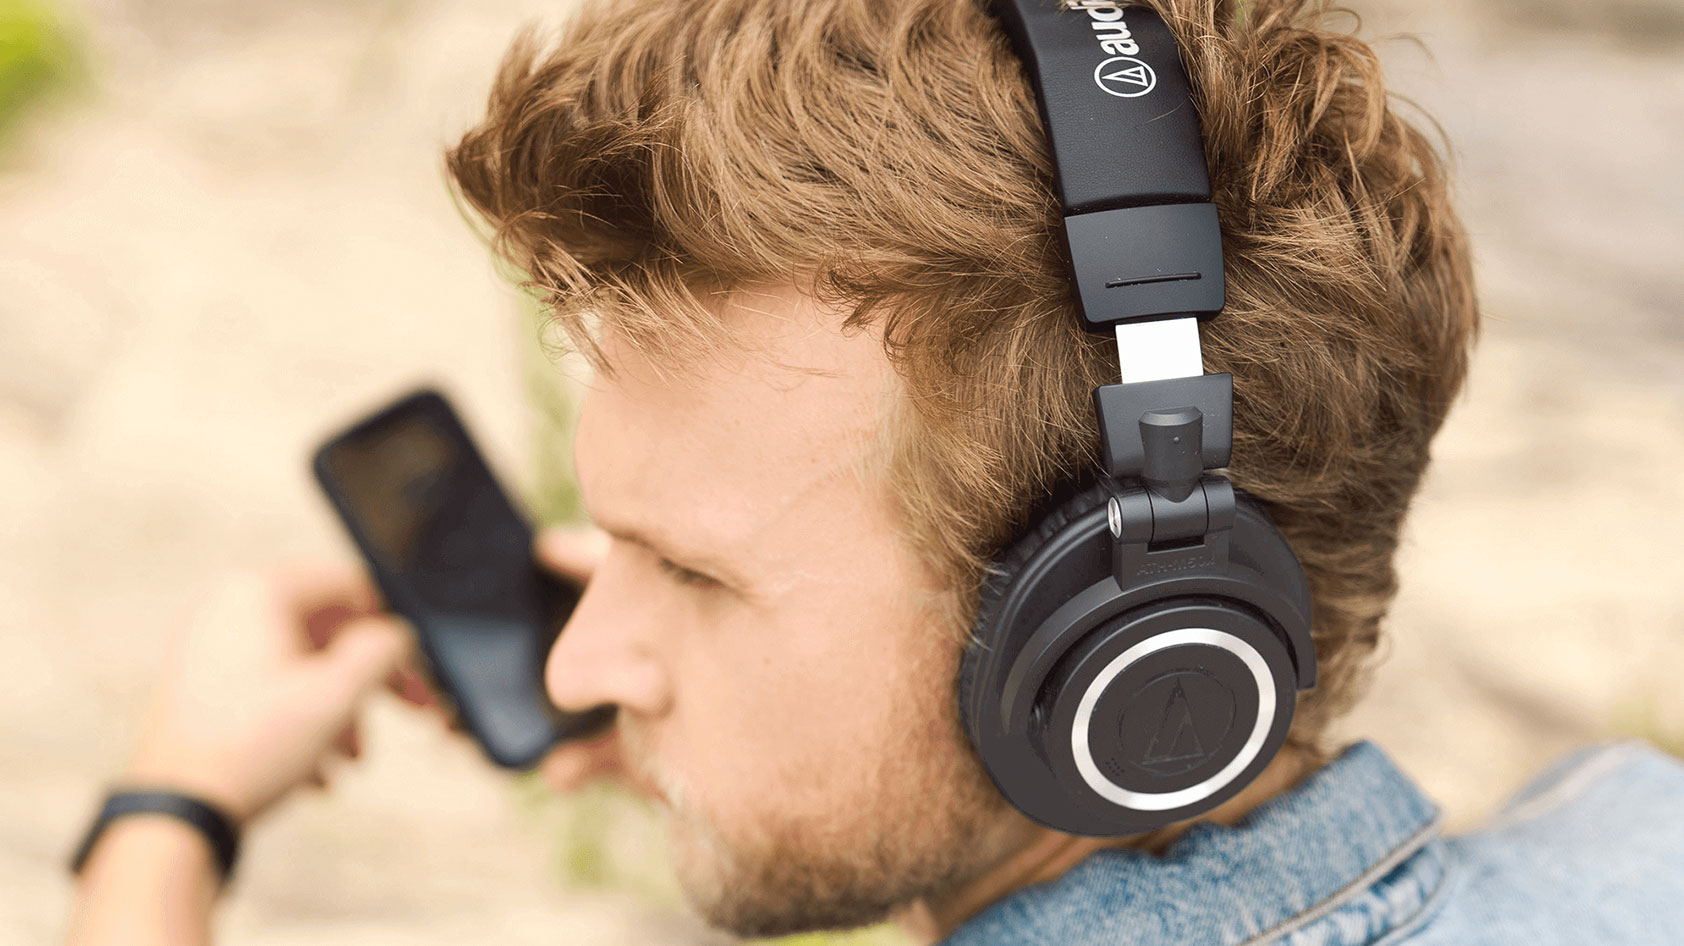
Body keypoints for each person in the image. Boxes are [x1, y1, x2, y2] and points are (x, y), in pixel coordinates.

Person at [63, 0, 1684, 944]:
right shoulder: (1639, 831)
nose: (578, 657)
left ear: (1106, 640)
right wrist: (783, 726)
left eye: (695, 570)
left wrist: (167, 815)